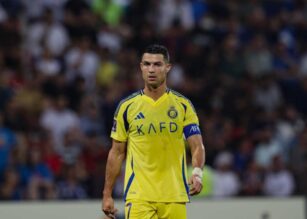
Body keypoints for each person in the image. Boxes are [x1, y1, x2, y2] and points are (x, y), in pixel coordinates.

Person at [102, 44, 205, 219]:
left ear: (168, 67)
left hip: (174, 195)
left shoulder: (183, 106)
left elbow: (197, 145)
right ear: (141, 67)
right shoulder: (127, 107)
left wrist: (197, 173)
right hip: (139, 196)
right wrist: (107, 194)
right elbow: (117, 152)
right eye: (147, 64)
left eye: (157, 64)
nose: (151, 69)